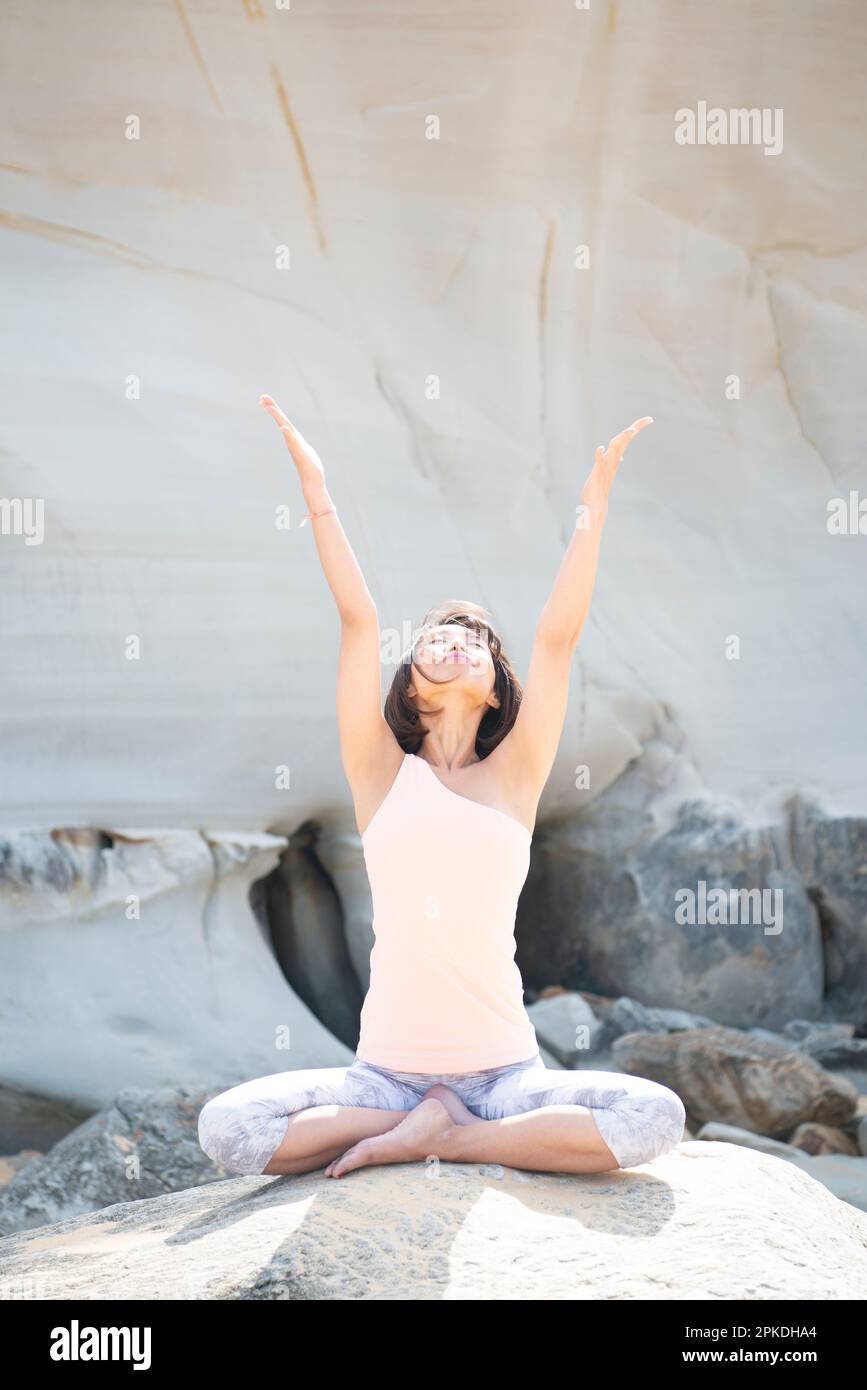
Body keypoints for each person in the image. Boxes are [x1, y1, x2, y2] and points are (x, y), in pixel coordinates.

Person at [196, 397, 685, 1180]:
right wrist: (316, 490)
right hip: (381, 1079)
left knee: (654, 1117)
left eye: (474, 641)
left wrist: (593, 503)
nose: (456, 642)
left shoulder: (517, 776)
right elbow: (358, 619)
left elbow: (557, 639)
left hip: (505, 1080)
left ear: (493, 688)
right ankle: (414, 1122)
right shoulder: (380, 772)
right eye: (438, 636)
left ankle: (449, 1137)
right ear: (412, 684)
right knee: (228, 1129)